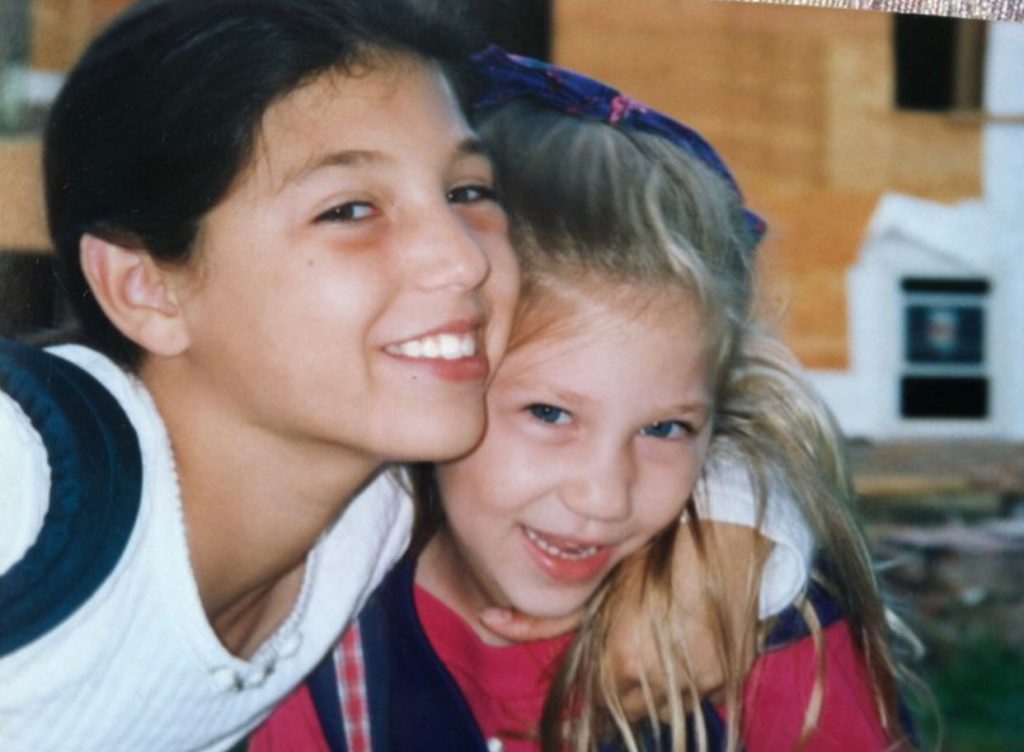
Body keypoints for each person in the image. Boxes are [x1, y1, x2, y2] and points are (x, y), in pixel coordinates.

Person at [251, 49, 913, 751]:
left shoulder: (770, 638)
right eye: (549, 414)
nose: (605, 496)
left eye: (664, 427)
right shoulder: (312, 645)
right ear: (439, 370)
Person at [0, 2, 519, 751]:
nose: (463, 257)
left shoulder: (372, 518)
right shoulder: (26, 479)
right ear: (147, 289)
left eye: (468, 191)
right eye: (350, 209)